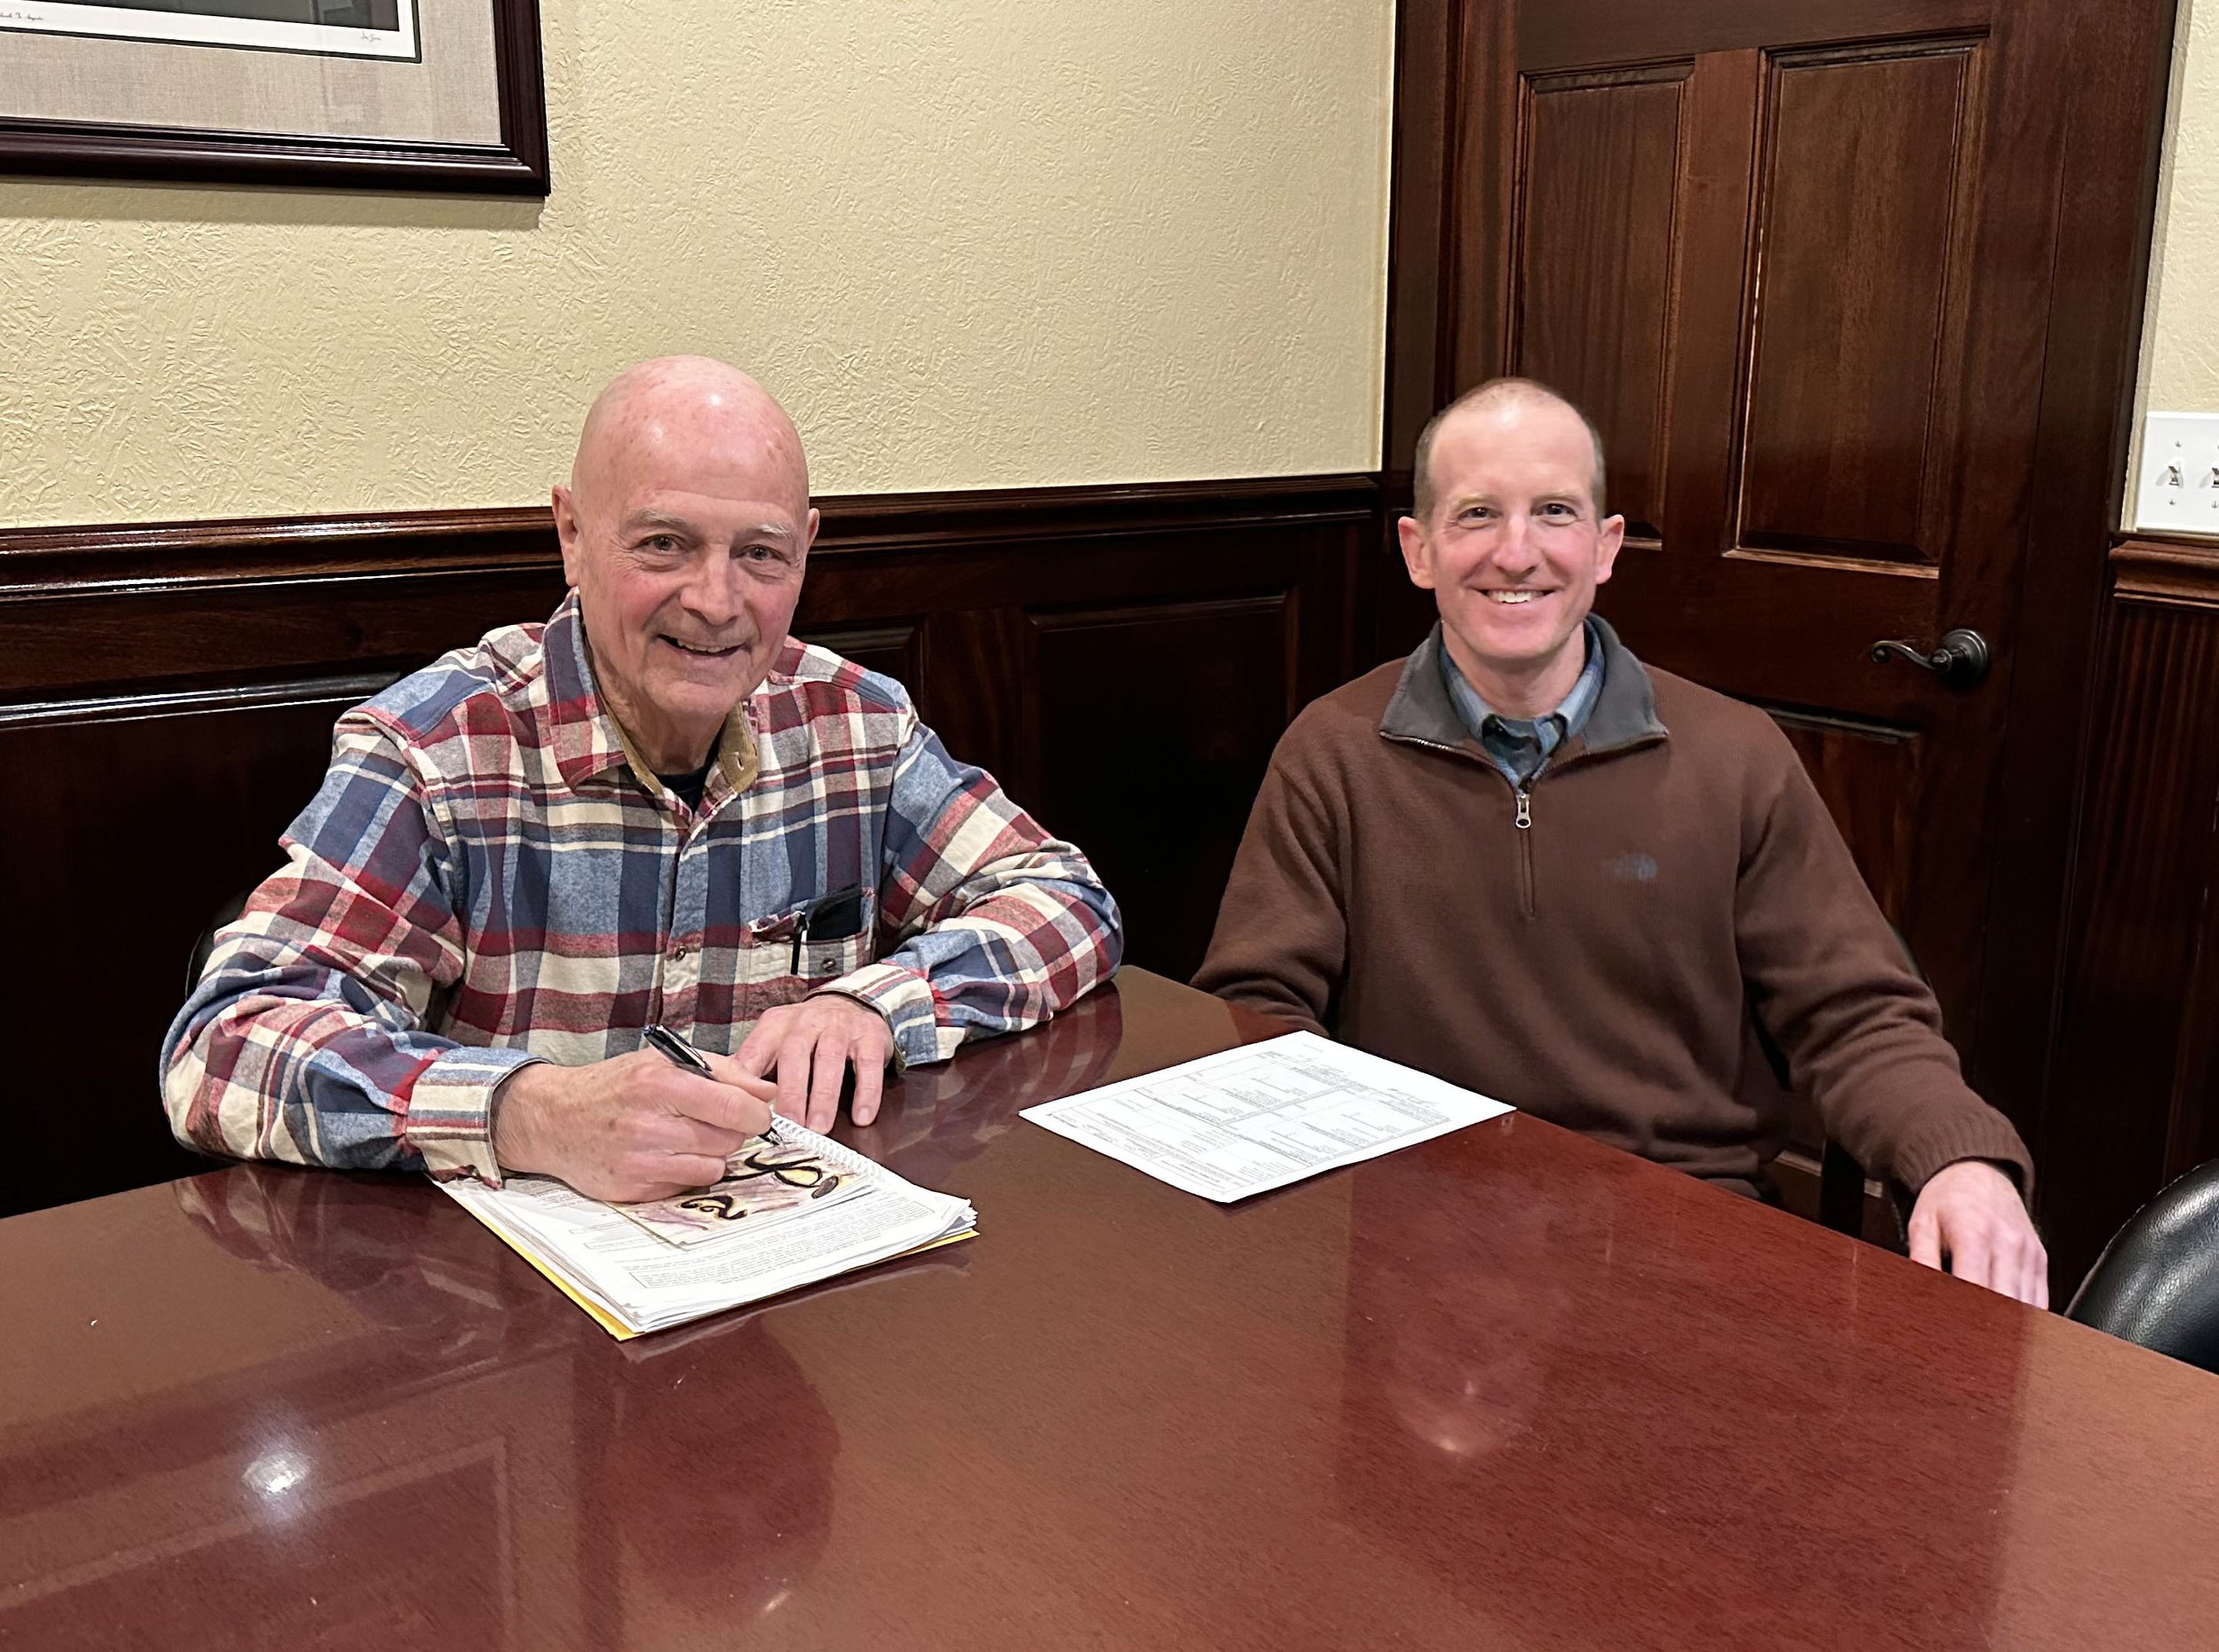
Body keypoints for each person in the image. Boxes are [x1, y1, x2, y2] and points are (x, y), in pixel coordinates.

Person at [164, 356, 1121, 1203]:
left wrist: (876, 1002)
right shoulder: (438, 748)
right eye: (664, 544)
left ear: (806, 550)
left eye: (760, 554)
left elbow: (1066, 898)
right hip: (501, 1300)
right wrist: (530, 1111)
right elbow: (221, 1048)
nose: (715, 601)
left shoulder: (856, 726)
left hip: (790, 1266)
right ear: (572, 535)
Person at [1194, 377, 2049, 1305]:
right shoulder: (1332, 752)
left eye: (1554, 511)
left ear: (1604, 548)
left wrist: (1959, 1160)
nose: (1516, 552)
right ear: (1419, 549)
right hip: (1415, 1232)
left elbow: (1853, 1011)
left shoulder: (1735, 755)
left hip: (1678, 1234)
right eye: (1477, 513)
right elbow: (1257, 1011)